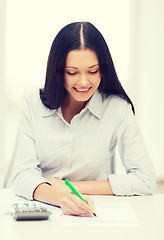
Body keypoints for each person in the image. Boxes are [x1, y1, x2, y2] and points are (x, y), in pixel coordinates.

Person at [7, 21, 155, 216]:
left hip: (92, 211)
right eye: (72, 72)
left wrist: (72, 188)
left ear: (103, 69)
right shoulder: (32, 103)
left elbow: (144, 180)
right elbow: (21, 176)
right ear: (58, 71)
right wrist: (61, 199)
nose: (84, 81)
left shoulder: (117, 108)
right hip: (39, 210)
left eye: (93, 71)